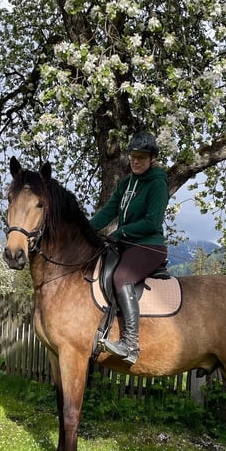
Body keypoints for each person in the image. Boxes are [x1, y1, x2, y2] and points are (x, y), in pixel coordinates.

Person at [89, 131, 169, 365]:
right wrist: (83, 228)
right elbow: (108, 211)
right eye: (134, 156)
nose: (136, 161)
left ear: (152, 158)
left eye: (142, 157)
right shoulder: (127, 183)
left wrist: (120, 233)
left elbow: (152, 222)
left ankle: (130, 344)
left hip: (149, 247)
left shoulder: (157, 183)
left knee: (122, 277)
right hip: (126, 245)